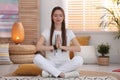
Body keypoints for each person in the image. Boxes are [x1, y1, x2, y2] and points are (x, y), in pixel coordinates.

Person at [33, 6, 83, 78]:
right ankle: (63, 74)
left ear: (63, 17)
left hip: (65, 63)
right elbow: (38, 47)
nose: (58, 18)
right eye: (55, 15)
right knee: (36, 58)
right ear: (52, 17)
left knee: (79, 59)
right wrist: (54, 47)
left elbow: (78, 48)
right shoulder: (47, 31)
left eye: (60, 15)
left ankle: (51, 73)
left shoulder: (69, 32)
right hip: (50, 63)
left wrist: (62, 47)